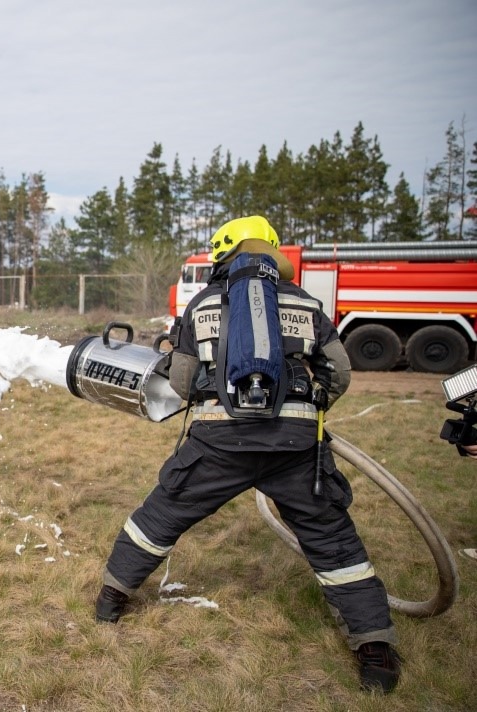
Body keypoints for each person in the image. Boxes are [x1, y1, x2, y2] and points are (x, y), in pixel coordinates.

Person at [95, 216, 402, 693]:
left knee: (162, 514)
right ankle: (376, 652)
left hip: (220, 441)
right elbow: (338, 372)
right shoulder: (305, 303)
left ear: (224, 252)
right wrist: (307, 410)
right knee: (332, 539)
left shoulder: (204, 304)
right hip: (295, 445)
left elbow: (180, 380)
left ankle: (111, 598)